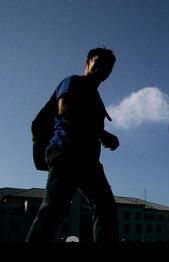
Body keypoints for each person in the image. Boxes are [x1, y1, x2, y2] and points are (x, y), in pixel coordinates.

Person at [26, 48, 120, 242]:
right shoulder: (73, 82)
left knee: (105, 208)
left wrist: (101, 137)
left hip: (88, 161)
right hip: (66, 154)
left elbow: (88, 127)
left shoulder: (95, 97)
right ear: (87, 63)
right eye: (98, 64)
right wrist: (102, 134)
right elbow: (65, 110)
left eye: (107, 68)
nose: (102, 70)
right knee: (53, 210)